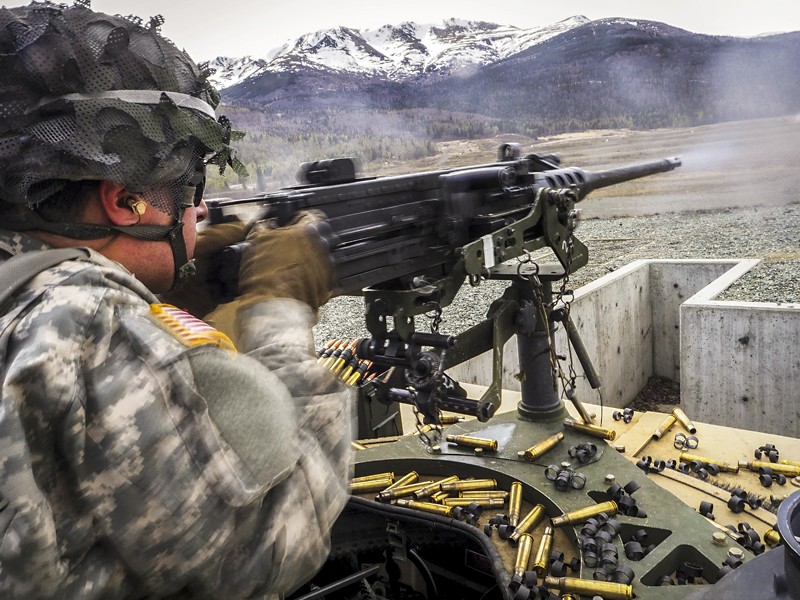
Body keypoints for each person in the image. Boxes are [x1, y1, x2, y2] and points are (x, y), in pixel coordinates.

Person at [0, 2, 353, 598]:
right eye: (189, 187)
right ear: (126, 200)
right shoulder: (86, 324)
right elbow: (273, 546)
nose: (201, 209)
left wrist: (168, 305)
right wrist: (279, 307)